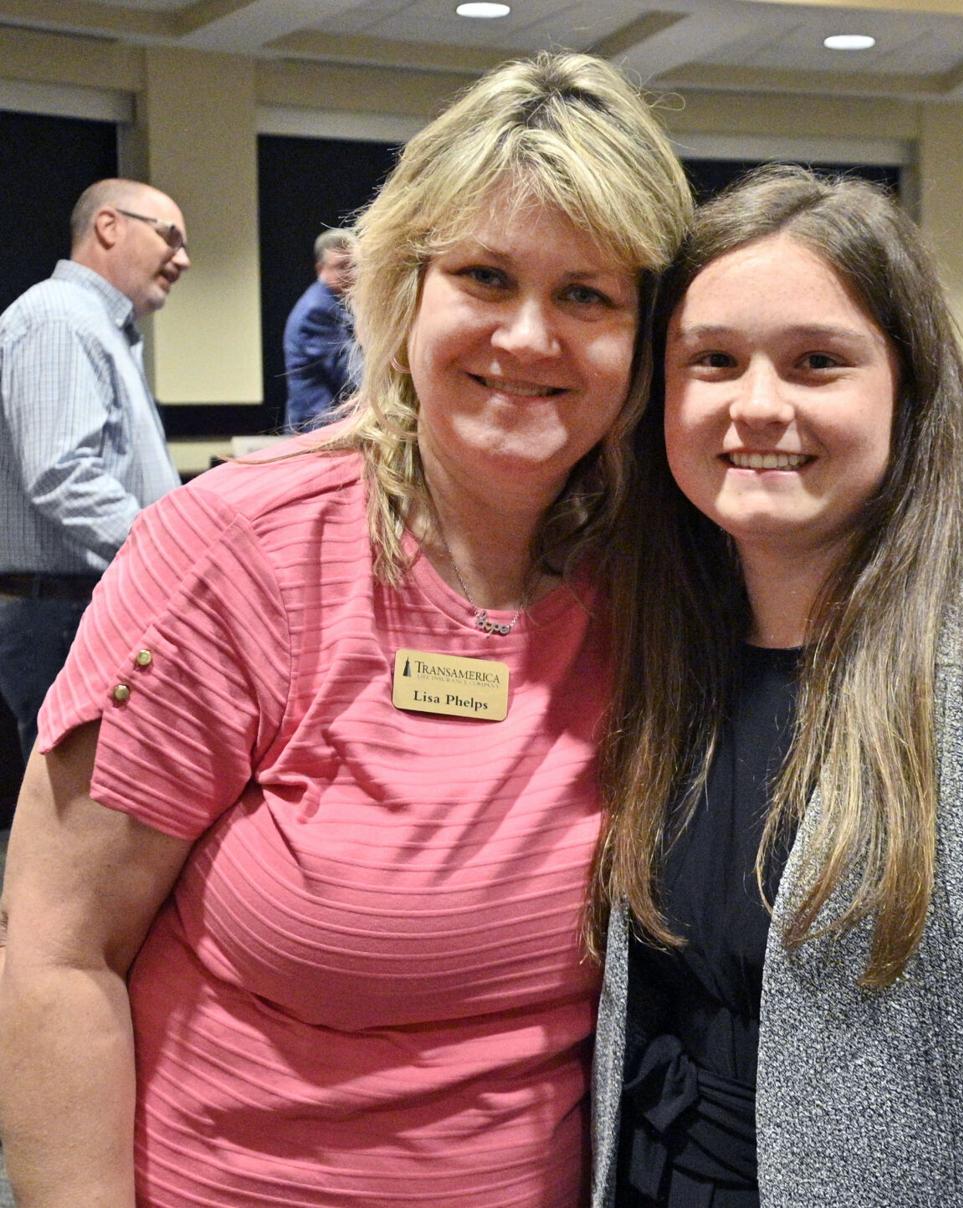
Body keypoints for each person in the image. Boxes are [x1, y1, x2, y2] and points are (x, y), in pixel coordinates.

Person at [0, 53, 692, 1206]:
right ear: (403, 290)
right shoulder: (233, 552)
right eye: (484, 275)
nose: (529, 336)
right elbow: (56, 953)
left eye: (588, 294)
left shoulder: (658, 585)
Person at [590, 166, 963, 1206]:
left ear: (908, 389)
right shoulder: (657, 642)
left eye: (818, 361)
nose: (758, 404)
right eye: (715, 360)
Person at [0, 179, 186, 766]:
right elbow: (63, 474)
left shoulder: (97, 325)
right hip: (61, 614)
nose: (183, 258)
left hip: (76, 607)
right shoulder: (60, 318)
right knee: (81, 831)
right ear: (110, 226)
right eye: (171, 237)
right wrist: (180, 547)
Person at [283, 227, 358, 431]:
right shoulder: (318, 310)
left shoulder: (334, 303)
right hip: (318, 431)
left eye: (355, 265)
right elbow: (350, 377)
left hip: (326, 427)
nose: (351, 274)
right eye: (342, 266)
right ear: (320, 269)